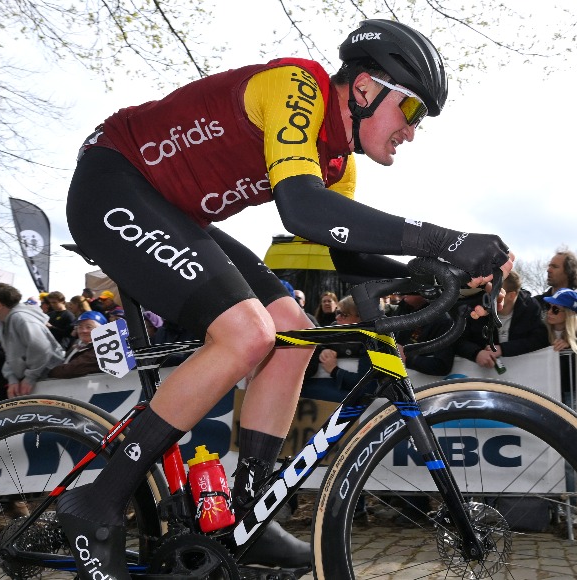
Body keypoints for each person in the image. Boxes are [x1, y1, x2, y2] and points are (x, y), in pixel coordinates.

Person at [56, 19, 511, 578]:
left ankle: (246, 508)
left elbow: (336, 246)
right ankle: (98, 499)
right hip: (115, 181)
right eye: (412, 112)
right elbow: (302, 209)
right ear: (365, 88)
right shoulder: (299, 87)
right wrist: (449, 241)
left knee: (292, 332)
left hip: (172, 209)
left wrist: (435, 273)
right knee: (248, 333)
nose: (411, 132)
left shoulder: (336, 162)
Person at [0, 283, 65, 398]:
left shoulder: (21, 319)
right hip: (33, 377)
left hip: (48, 376)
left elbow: (42, 349)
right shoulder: (1, 321)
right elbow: (10, 355)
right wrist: (12, 379)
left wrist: (30, 378)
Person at [453, 270, 547, 370]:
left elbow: (540, 339)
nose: (489, 293)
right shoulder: (476, 308)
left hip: (524, 374)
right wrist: (476, 353)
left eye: (496, 290)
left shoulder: (531, 308)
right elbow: (457, 340)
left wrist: (503, 349)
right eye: (489, 287)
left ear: (511, 296)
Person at [544, 250, 577, 330]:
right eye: (549, 266)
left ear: (568, 272)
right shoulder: (538, 303)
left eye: (554, 267)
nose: (548, 270)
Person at [48, 311, 107, 379]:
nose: (83, 331)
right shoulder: (79, 343)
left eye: (89, 327)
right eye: (80, 327)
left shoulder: (102, 349)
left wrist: (47, 372)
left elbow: (69, 371)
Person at [543, 289, 577, 354]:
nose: (549, 312)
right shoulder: (541, 329)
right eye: (548, 306)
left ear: (570, 314)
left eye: (555, 309)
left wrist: (570, 348)